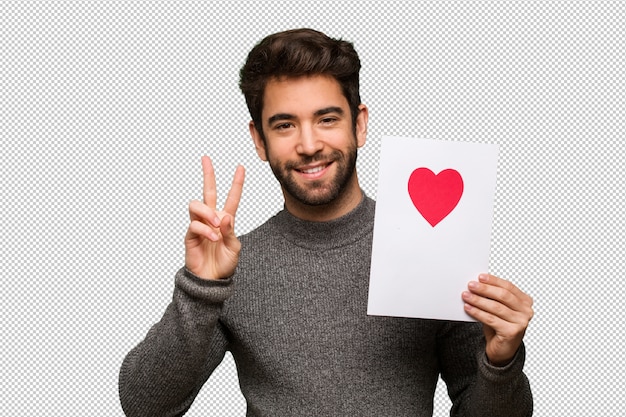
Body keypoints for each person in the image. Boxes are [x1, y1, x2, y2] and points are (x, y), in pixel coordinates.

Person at [119, 28, 534, 416]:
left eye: (327, 119)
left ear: (360, 123)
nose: (309, 145)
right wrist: (200, 290)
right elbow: (145, 406)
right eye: (284, 125)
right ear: (260, 140)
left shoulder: (429, 245)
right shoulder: (233, 266)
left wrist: (501, 361)